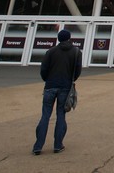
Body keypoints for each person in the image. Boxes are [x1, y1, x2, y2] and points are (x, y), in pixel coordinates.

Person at [33, 28, 82, 156]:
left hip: (50, 86)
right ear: (69, 38)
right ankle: (58, 145)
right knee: (61, 115)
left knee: (45, 116)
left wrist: (48, 80)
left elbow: (43, 69)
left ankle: (38, 146)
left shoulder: (50, 51)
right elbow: (77, 71)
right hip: (65, 87)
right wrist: (70, 81)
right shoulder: (76, 52)